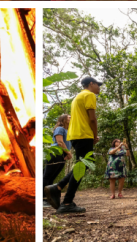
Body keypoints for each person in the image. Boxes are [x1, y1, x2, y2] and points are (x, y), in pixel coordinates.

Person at [46, 77, 102, 214]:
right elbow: (92, 119)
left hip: (75, 135)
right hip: (84, 134)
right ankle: (66, 202)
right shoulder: (89, 95)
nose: (99, 88)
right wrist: (95, 135)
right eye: (98, 85)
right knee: (82, 166)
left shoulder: (77, 97)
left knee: (82, 164)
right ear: (91, 84)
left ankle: (58, 188)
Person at [43, 114, 71, 188]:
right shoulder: (59, 129)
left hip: (62, 155)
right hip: (55, 153)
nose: (70, 118)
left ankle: (47, 196)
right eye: (69, 117)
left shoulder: (67, 130)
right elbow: (60, 142)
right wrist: (69, 153)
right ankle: (41, 195)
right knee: (47, 177)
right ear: (63, 119)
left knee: (52, 177)